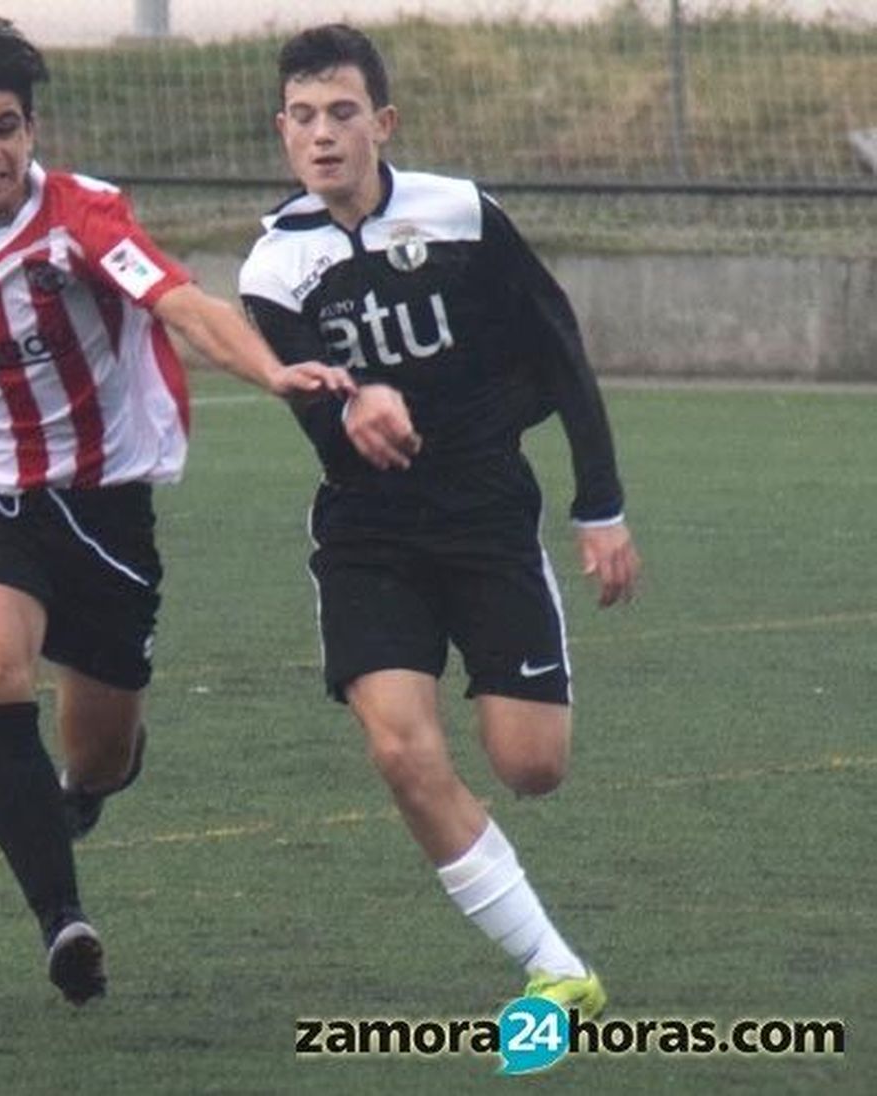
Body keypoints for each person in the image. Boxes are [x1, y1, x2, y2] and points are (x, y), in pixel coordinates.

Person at [0, 15, 351, 1005]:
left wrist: (275, 372)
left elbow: (182, 304)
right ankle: (63, 921)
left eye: (6, 127)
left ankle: (93, 784)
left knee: (96, 753)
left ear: (30, 129)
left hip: (106, 510)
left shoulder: (81, 219)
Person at [239, 23, 641, 1018]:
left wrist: (600, 506)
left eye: (342, 113)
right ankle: (555, 967)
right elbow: (326, 432)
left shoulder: (461, 214)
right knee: (401, 749)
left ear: (383, 123)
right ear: (280, 131)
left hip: (488, 519)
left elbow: (559, 355)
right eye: (302, 117)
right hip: (369, 538)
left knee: (530, 765)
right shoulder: (273, 268)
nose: (322, 134)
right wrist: (353, 406)